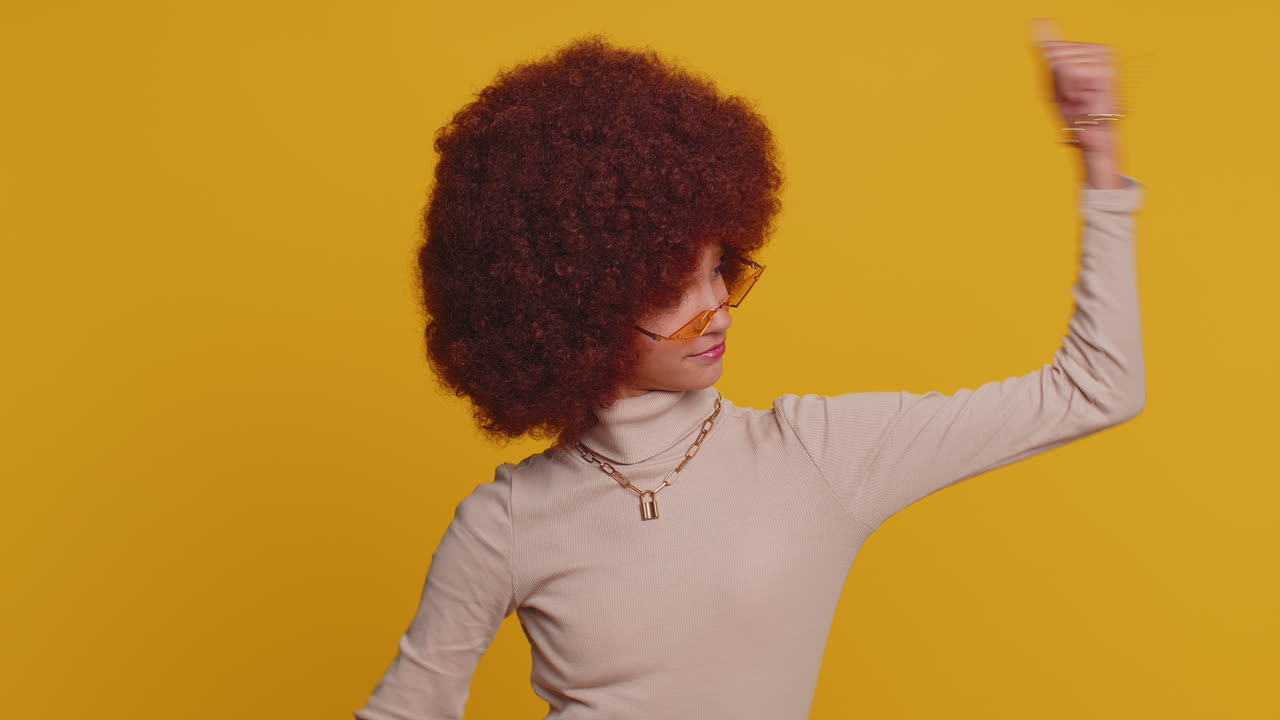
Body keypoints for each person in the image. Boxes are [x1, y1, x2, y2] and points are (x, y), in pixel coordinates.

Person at [354, 19, 1145, 720]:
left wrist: (1099, 153)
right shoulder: (507, 524)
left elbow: (1093, 388)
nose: (720, 308)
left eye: (722, 268)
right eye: (673, 288)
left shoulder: (816, 455)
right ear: (572, 305)